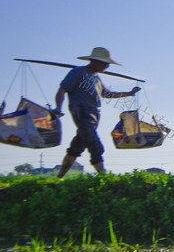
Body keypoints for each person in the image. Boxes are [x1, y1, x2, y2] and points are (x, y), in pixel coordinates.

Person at [54, 47, 139, 178]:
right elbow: (62, 90)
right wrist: (58, 109)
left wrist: (129, 93)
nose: (107, 66)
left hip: (94, 116)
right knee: (94, 144)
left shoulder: (96, 79)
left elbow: (107, 94)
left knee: (77, 147)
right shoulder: (78, 73)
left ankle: (59, 177)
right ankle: (103, 177)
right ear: (94, 61)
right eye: (105, 63)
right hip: (82, 112)